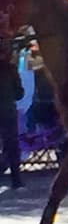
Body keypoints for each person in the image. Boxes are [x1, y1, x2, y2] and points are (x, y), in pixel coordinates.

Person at [0, 29, 23, 189]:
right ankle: (16, 178)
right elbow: (19, 93)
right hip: (8, 109)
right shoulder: (10, 69)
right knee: (12, 143)